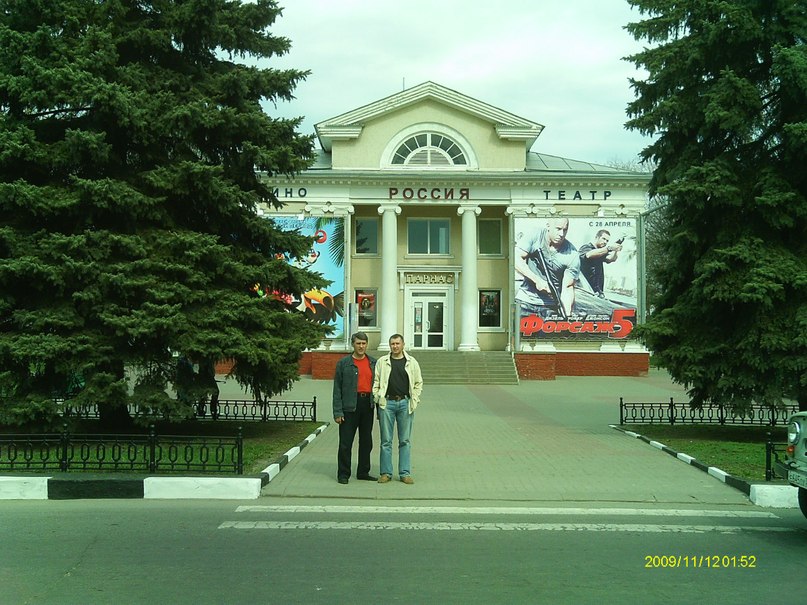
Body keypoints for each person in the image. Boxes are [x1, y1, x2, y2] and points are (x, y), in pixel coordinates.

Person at [372, 333, 423, 485]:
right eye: (392, 344)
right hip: (387, 404)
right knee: (386, 441)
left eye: (397, 343)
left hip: (405, 404)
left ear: (403, 344)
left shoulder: (411, 362)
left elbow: (418, 383)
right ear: (390, 345)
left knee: (405, 440)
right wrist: (377, 396)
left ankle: (404, 473)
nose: (395, 346)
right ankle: (386, 473)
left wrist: (415, 399)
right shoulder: (382, 362)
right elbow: (376, 382)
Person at [332, 332, 377, 484]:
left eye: (363, 343)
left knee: (366, 441)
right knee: (346, 442)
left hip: (367, 405)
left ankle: (363, 472)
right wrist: (337, 412)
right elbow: (337, 389)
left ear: (367, 344)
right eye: (358, 343)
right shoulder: (344, 363)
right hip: (349, 406)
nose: (361, 346)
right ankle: (343, 474)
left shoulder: (373, 363)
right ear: (353, 344)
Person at [514, 217, 579, 319]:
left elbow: (568, 288)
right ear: (548, 226)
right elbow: (515, 258)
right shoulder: (535, 235)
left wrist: (567, 317)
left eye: (565, 230)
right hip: (525, 301)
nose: (561, 234)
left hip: (550, 307)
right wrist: (537, 280)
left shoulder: (572, 254)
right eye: (558, 229)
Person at [578, 230, 622, 297]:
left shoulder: (601, 252)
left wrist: (615, 250)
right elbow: (589, 255)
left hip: (596, 292)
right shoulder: (586, 247)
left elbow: (611, 259)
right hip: (585, 290)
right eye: (603, 239)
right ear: (597, 237)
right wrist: (609, 248)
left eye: (607, 241)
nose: (605, 242)